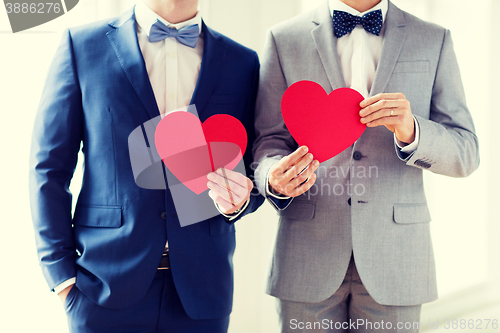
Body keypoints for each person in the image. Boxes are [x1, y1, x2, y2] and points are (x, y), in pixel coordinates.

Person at [29, 0, 264, 332]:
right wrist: (60, 276)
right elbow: (49, 167)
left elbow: (254, 168)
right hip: (102, 286)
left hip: (202, 290)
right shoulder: (82, 46)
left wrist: (241, 198)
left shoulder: (242, 62)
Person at [252, 0, 479, 332]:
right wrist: (272, 176)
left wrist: (413, 130)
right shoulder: (284, 38)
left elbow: (467, 151)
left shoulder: (433, 38)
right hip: (307, 255)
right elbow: (266, 141)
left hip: (397, 260)